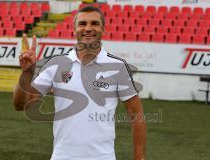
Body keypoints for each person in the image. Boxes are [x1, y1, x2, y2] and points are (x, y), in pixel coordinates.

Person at [13, 5, 146, 160]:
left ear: (103, 28)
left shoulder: (118, 67)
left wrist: (139, 157)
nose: (88, 28)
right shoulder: (56, 64)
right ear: (74, 28)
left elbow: (136, 114)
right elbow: (20, 105)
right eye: (82, 24)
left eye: (94, 23)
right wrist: (27, 72)